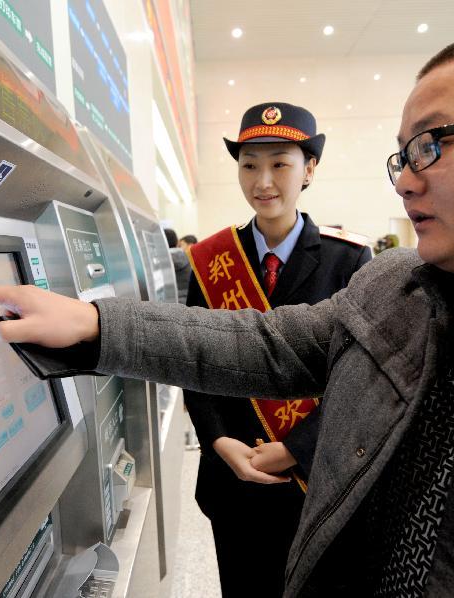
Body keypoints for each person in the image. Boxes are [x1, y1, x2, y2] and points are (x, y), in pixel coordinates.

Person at [0, 22, 454, 597]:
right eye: (401, 155)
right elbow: (265, 345)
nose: (408, 182)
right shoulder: (401, 287)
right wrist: (97, 327)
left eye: (433, 145)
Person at [182, 102, 371, 597]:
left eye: (280, 164)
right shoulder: (211, 260)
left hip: (315, 479)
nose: (263, 180)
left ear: (309, 169)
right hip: (235, 481)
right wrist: (219, 441)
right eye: (249, 165)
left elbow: (362, 379)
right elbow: (195, 364)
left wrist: (294, 449)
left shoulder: (349, 259)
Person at [163, 228, 191, 304]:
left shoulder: (161, 260)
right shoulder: (187, 256)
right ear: (177, 242)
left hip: (171, 304)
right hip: (187, 301)